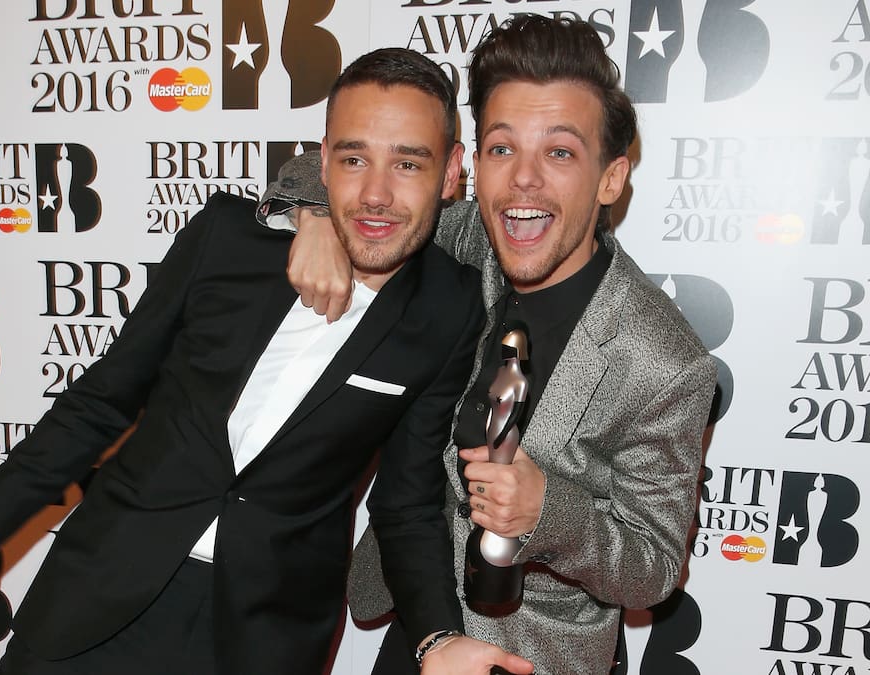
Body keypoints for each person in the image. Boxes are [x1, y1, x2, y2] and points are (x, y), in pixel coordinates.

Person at [0, 48, 534, 675]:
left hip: (264, 635)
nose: (376, 194)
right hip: (100, 595)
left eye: (408, 164)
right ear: (322, 161)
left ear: (452, 171)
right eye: (353, 159)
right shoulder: (228, 237)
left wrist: (437, 638)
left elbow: (406, 504)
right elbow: (103, 399)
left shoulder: (449, 311)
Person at [258, 15, 717, 674]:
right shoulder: (465, 238)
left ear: (611, 179)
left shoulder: (663, 360)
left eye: (560, 153)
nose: (523, 179)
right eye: (503, 149)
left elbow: (655, 567)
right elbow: (346, 172)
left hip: (533, 655)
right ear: (474, 164)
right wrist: (317, 217)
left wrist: (547, 511)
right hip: (420, 625)